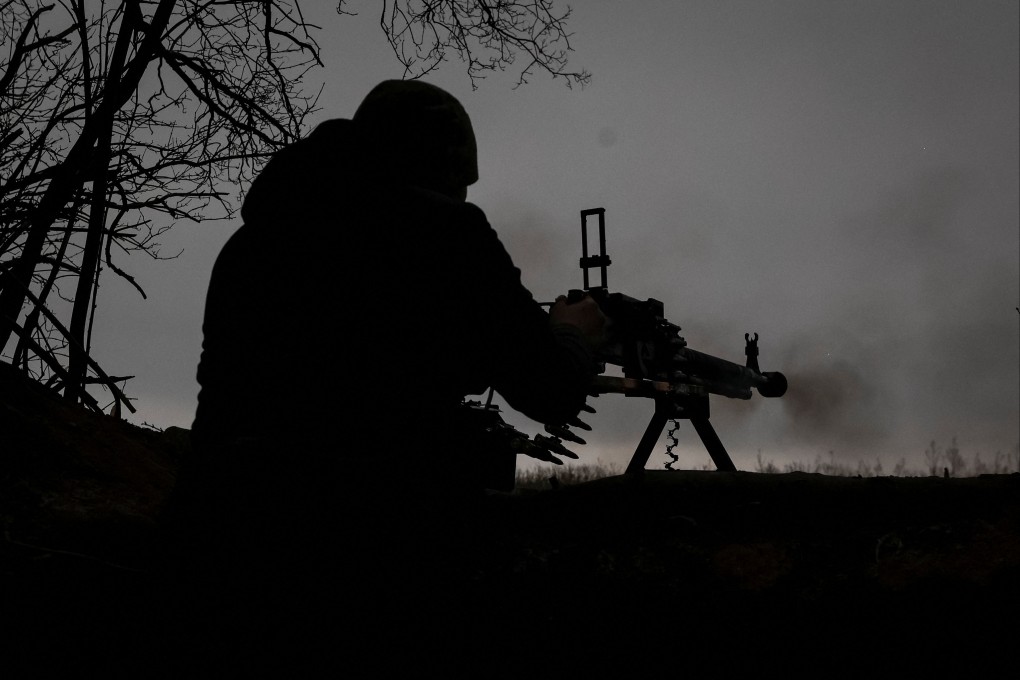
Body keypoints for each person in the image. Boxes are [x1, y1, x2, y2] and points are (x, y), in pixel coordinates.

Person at [167, 79, 606, 673]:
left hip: (218, 536)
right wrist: (575, 332)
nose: (464, 192)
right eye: (461, 178)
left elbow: (348, 365)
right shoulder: (447, 235)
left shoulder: (253, 242)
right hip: (373, 557)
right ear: (437, 165)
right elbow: (548, 388)